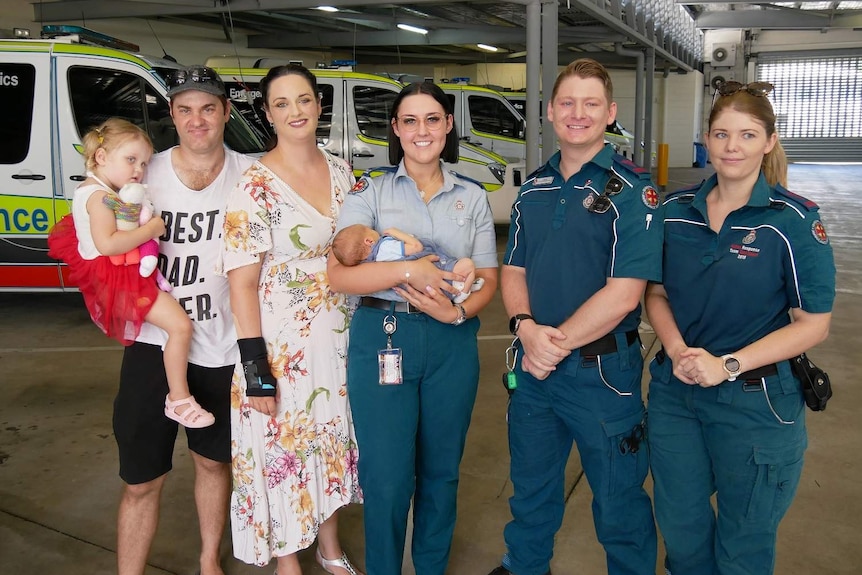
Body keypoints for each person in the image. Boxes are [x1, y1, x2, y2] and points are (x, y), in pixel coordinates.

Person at [645, 81, 835, 575]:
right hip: (676, 392)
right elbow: (657, 294)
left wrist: (727, 364)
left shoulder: (792, 221)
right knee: (681, 528)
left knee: (743, 542)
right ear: (706, 139)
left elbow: (813, 324)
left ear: (769, 141)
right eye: (722, 134)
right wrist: (679, 350)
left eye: (748, 135)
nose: (733, 147)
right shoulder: (674, 213)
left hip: (755, 402)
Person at [490, 58, 661, 575]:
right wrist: (524, 327)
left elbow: (625, 294)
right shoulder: (534, 188)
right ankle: (524, 567)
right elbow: (513, 269)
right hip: (536, 372)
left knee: (619, 501)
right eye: (567, 102)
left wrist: (550, 343)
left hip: (601, 376)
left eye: (591, 104)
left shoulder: (633, 192)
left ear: (610, 113)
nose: (578, 113)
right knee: (532, 490)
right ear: (549, 111)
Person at [327, 81, 498, 575]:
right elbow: (340, 272)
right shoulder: (370, 190)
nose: (421, 131)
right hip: (383, 336)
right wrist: (409, 271)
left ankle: (430, 566)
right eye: (410, 121)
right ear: (396, 130)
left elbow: (488, 278)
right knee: (386, 476)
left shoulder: (472, 196)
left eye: (432, 119)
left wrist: (459, 313)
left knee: (441, 471)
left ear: (448, 125)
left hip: (451, 343)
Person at [112, 66, 255, 575]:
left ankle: (208, 562)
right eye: (186, 109)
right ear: (172, 114)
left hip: (223, 346)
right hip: (154, 345)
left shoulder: (251, 175)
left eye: (209, 108)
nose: (198, 120)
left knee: (214, 463)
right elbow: (94, 233)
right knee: (141, 479)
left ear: (226, 113)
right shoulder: (141, 175)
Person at [222, 64, 362, 575]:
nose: (295, 111)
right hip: (281, 350)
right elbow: (240, 284)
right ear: (266, 114)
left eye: (304, 99)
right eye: (281, 103)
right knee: (284, 449)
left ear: (319, 105)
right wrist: (255, 365)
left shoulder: (342, 170)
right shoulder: (253, 187)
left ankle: (329, 547)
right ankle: (287, 561)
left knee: (328, 441)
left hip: (342, 339)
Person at [47, 118, 214, 428]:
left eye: (144, 162)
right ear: (101, 157)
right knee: (179, 327)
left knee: (173, 326)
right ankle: (178, 399)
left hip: (121, 272)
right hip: (118, 278)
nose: (139, 169)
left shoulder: (100, 189)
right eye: (130, 160)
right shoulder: (98, 197)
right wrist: (151, 228)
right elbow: (109, 244)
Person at [331, 223, 484, 303]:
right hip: (435, 268)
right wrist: (396, 232)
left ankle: (464, 286)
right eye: (368, 229)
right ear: (368, 240)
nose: (372, 229)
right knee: (468, 265)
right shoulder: (385, 247)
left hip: (419, 287)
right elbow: (417, 247)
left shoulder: (374, 262)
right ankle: (462, 292)